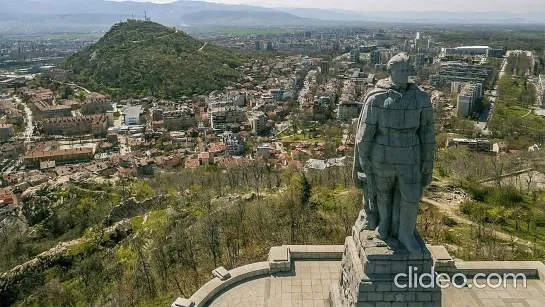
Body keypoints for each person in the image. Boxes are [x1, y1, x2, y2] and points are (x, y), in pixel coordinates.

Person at [353, 53, 435, 253]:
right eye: (401, 70)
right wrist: (363, 158)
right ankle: (384, 224)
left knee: (410, 195)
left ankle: (405, 233)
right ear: (390, 71)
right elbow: (365, 132)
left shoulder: (421, 98)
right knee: (383, 192)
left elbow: (427, 131)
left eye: (407, 70)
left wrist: (427, 158)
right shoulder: (377, 98)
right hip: (382, 155)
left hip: (410, 154)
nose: (405, 74)